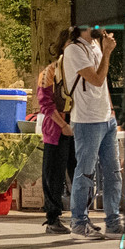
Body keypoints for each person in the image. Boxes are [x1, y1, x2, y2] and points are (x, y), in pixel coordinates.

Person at [62, 25, 122, 240]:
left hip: (106, 117)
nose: (104, 28)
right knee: (85, 172)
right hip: (87, 119)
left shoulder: (96, 44)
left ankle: (113, 221)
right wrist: (107, 52)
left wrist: (112, 110)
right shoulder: (73, 50)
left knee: (114, 172)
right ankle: (78, 221)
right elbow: (96, 79)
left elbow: (103, 83)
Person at [33, 29, 74, 236]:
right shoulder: (49, 72)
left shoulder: (81, 70)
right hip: (56, 130)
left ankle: (79, 214)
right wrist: (63, 125)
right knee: (54, 176)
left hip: (78, 126)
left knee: (79, 172)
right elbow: (46, 104)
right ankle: (53, 217)